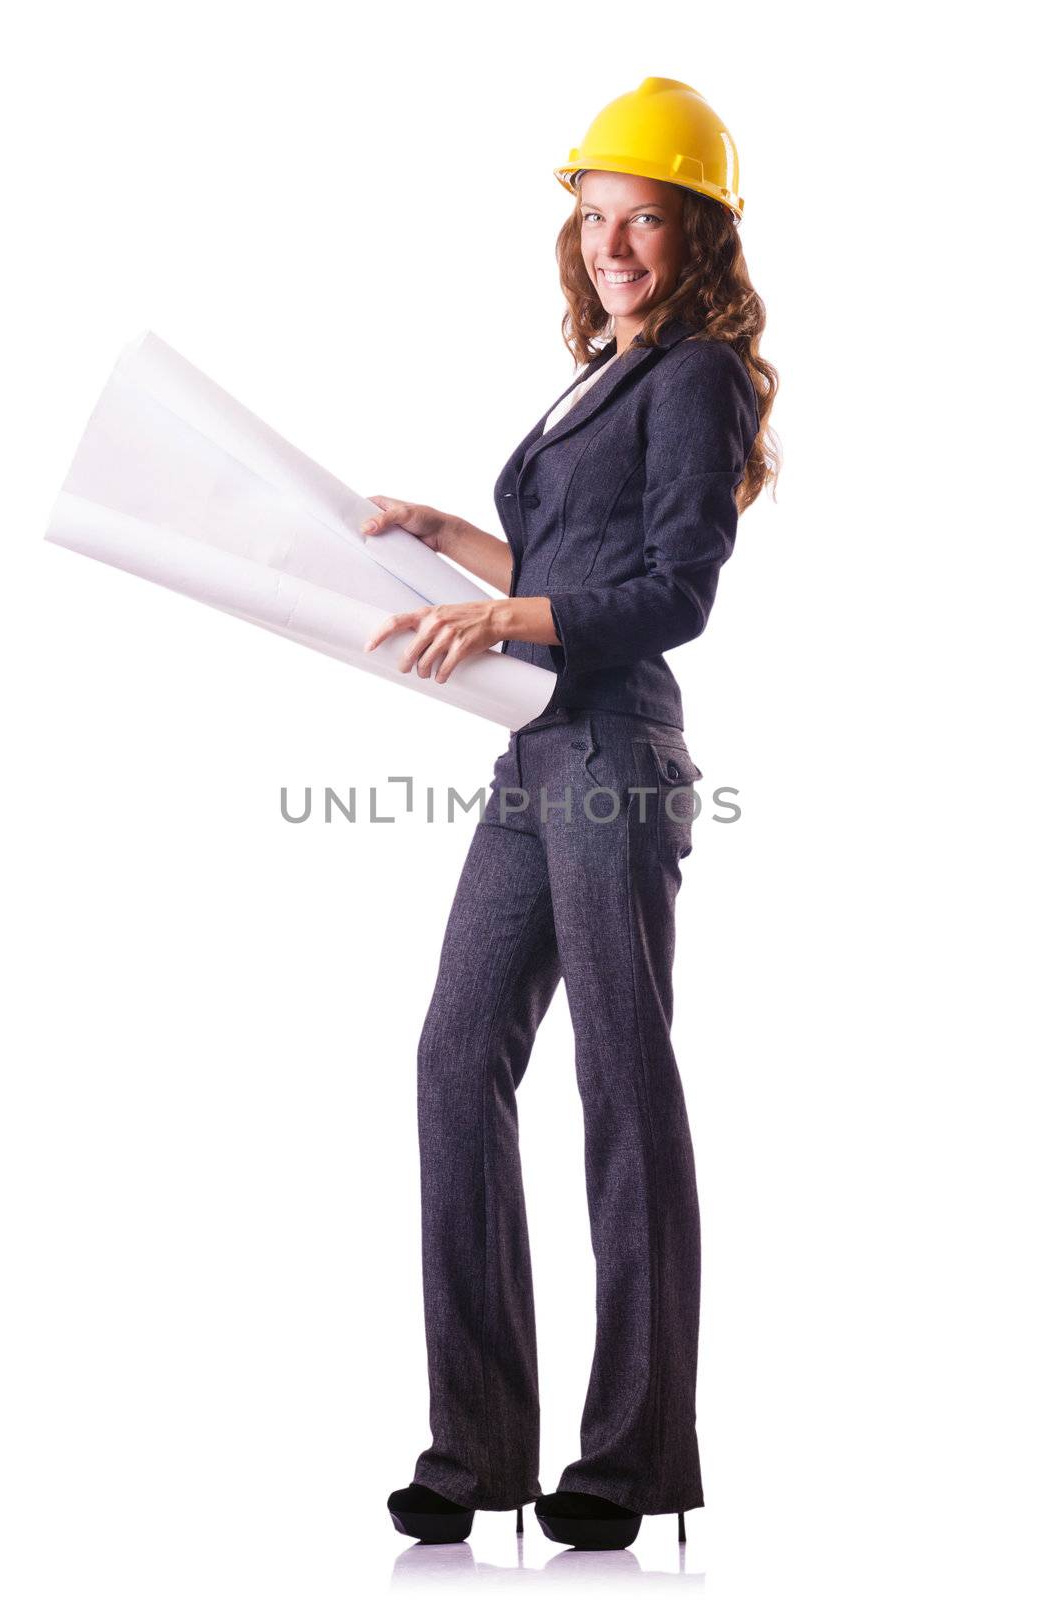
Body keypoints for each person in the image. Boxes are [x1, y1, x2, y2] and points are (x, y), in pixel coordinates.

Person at [366, 77, 780, 1551]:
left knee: (619, 1071)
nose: (613, 243)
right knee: (453, 1054)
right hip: (535, 747)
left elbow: (672, 590)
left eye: (644, 219)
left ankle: (629, 1455)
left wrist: (515, 611)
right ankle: (475, 1451)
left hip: (613, 743)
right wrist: (454, 541)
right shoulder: (600, 370)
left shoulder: (699, 378)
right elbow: (561, 553)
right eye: (596, 217)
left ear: (696, 234)